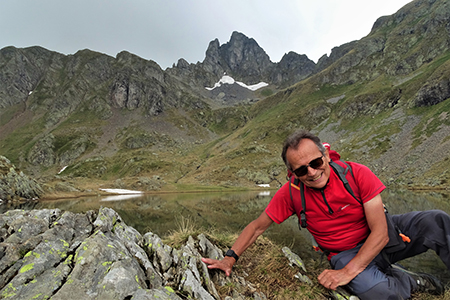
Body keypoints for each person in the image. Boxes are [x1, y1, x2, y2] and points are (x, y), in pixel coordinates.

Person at [202, 130, 450, 300]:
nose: (311, 172)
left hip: (384, 236)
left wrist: (348, 273)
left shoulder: (357, 174)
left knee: (437, 220)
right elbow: (257, 227)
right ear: (292, 173)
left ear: (327, 156)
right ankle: (414, 282)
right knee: (380, 294)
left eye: (316, 163)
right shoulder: (291, 193)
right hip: (344, 252)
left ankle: (385, 271)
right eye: (301, 169)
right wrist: (229, 258)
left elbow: (381, 233)